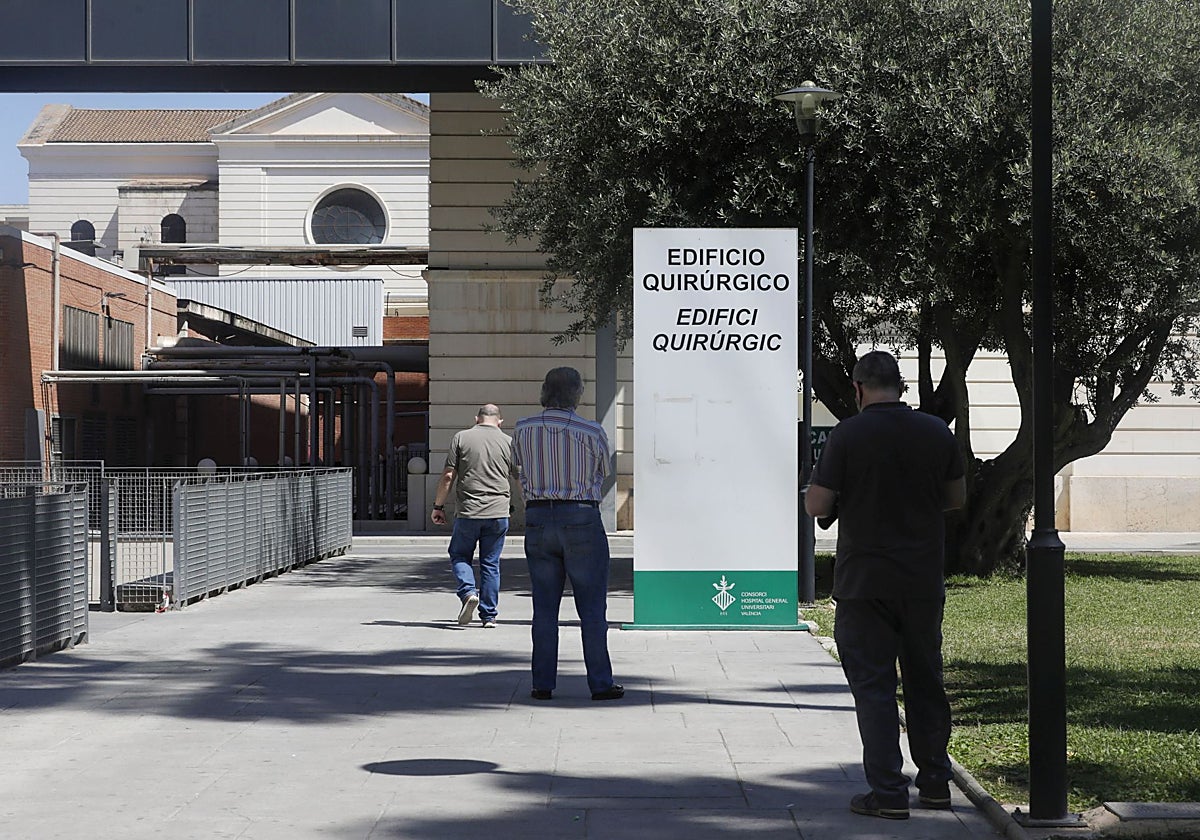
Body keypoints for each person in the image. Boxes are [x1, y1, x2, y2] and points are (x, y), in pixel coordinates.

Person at [804, 350, 966, 821]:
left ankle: (889, 793)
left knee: (874, 689)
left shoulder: (848, 434)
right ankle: (935, 784)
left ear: (857, 389)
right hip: (921, 579)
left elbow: (817, 505)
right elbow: (955, 498)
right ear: (901, 385)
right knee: (925, 681)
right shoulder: (936, 431)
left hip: (864, 583)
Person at [511, 367, 623, 702]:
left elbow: (518, 467)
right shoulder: (592, 430)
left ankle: (542, 683)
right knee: (591, 608)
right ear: (578, 393)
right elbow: (604, 471)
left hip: (538, 516)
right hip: (581, 515)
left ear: (544, 390)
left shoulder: (523, 429)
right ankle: (600, 683)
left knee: (544, 607)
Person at [431, 404, 515, 628]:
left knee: (459, 554)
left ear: (477, 418)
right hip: (498, 511)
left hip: (469, 511)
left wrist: (438, 506)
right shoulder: (509, 442)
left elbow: (449, 476)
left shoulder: (461, 438)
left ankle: (468, 592)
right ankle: (489, 616)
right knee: (490, 563)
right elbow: (521, 478)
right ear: (500, 421)